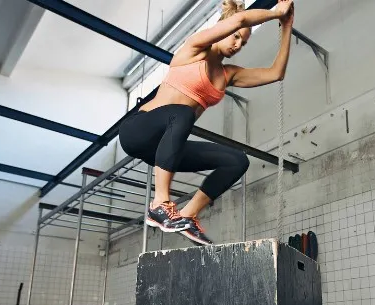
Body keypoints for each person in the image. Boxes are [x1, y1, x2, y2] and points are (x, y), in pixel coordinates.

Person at [118, 0, 295, 246]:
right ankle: (160, 204)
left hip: (163, 148)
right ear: (223, 28)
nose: (237, 45)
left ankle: (188, 214)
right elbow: (241, 19)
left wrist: (286, 25)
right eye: (235, 37)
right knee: (183, 113)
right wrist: (275, 12)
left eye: (243, 43)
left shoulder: (227, 75)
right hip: (137, 130)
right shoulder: (195, 48)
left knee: (236, 161)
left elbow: (276, 73)